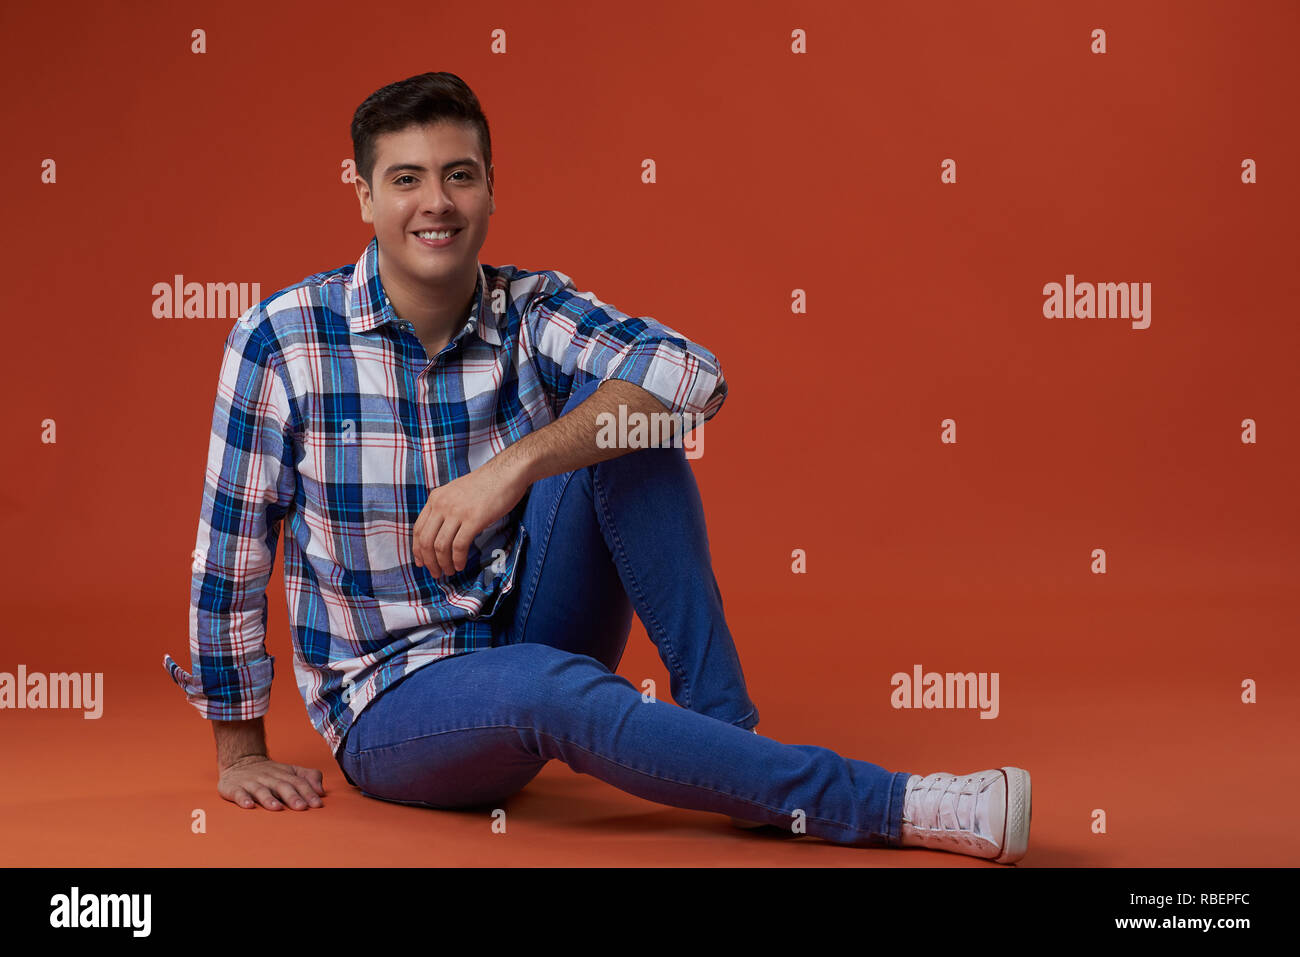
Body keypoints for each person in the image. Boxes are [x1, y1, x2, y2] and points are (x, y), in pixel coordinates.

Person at [163, 71, 1032, 864]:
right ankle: (893, 803)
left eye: (460, 174)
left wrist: (513, 465)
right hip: (391, 705)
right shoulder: (283, 339)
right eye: (407, 178)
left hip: (527, 620)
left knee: (633, 427)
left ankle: (725, 737)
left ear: (493, 187)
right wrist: (238, 748)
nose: (438, 202)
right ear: (361, 195)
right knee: (551, 686)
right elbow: (231, 547)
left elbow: (694, 375)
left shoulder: (531, 307)